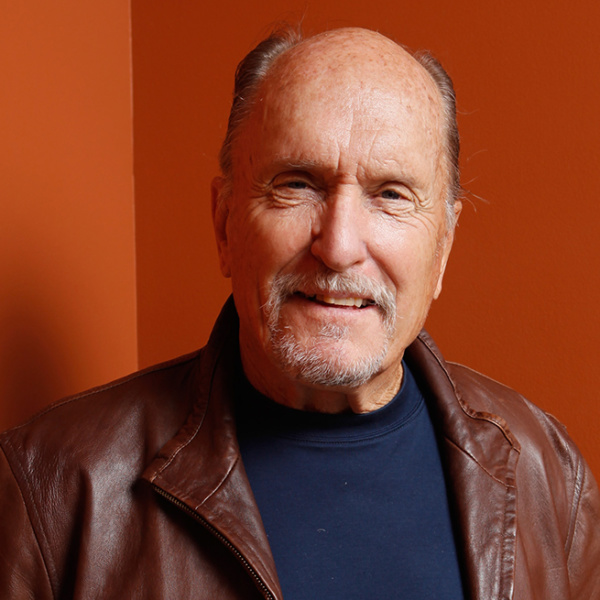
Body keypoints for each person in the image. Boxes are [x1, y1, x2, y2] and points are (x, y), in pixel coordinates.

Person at [1, 25, 598, 600]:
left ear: (443, 246)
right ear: (224, 225)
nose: (338, 247)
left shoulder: (549, 474)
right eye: (296, 184)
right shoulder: (51, 486)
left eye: (391, 194)